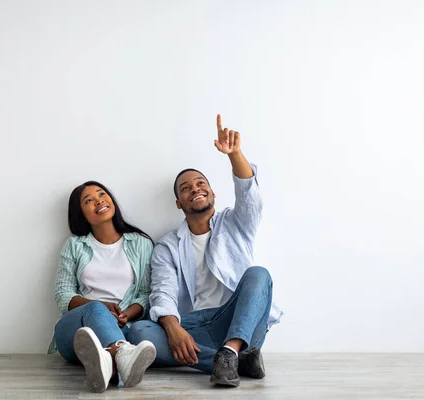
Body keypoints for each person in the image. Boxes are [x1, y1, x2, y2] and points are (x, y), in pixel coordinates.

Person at [128, 115, 282, 387]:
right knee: (139, 332)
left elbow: (249, 197)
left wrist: (234, 153)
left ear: (212, 194)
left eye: (201, 184)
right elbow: (162, 291)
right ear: (179, 202)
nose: (194, 189)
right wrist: (174, 329)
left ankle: (232, 348)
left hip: (240, 321)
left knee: (259, 275)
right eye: (185, 189)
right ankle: (234, 360)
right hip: (195, 326)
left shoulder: (236, 224)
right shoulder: (167, 246)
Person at [49, 181, 156, 393]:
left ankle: (109, 363)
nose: (98, 200)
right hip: (74, 330)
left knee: (136, 330)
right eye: (88, 201)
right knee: (97, 308)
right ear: (81, 214)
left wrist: (126, 313)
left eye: (101, 194)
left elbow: (146, 293)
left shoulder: (141, 243)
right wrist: (99, 306)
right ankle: (121, 354)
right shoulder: (75, 245)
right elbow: (62, 294)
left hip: (121, 327)